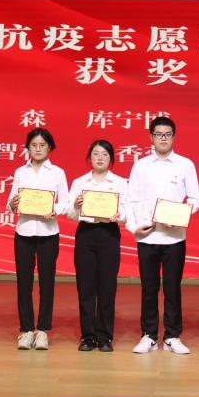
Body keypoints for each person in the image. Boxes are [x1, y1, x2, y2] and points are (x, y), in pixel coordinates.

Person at [126, 116, 199, 355]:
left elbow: (196, 198)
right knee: (148, 288)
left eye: (167, 134)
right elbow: (131, 199)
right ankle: (148, 335)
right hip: (147, 237)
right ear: (151, 137)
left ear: (173, 137)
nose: (163, 138)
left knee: (172, 288)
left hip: (174, 237)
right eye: (159, 134)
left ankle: (172, 336)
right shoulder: (140, 166)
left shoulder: (185, 164)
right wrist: (133, 228)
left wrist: (180, 215)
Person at [6, 127, 68, 350]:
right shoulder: (20, 172)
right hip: (23, 232)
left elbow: (65, 202)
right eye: (34, 145)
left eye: (42, 145)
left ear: (50, 147)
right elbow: (11, 202)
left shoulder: (57, 172)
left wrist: (54, 210)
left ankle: (42, 330)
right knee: (24, 283)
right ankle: (25, 330)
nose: (38, 149)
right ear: (28, 148)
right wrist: (13, 204)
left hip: (48, 233)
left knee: (46, 283)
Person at [68, 140, 128, 352]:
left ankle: (105, 337)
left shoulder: (120, 183)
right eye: (95, 153)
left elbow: (127, 214)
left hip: (109, 234)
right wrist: (76, 205)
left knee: (107, 287)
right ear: (89, 157)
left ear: (111, 158)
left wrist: (118, 215)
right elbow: (70, 214)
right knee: (86, 287)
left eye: (104, 154)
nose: (100, 157)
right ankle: (87, 336)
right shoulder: (80, 182)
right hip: (86, 235)